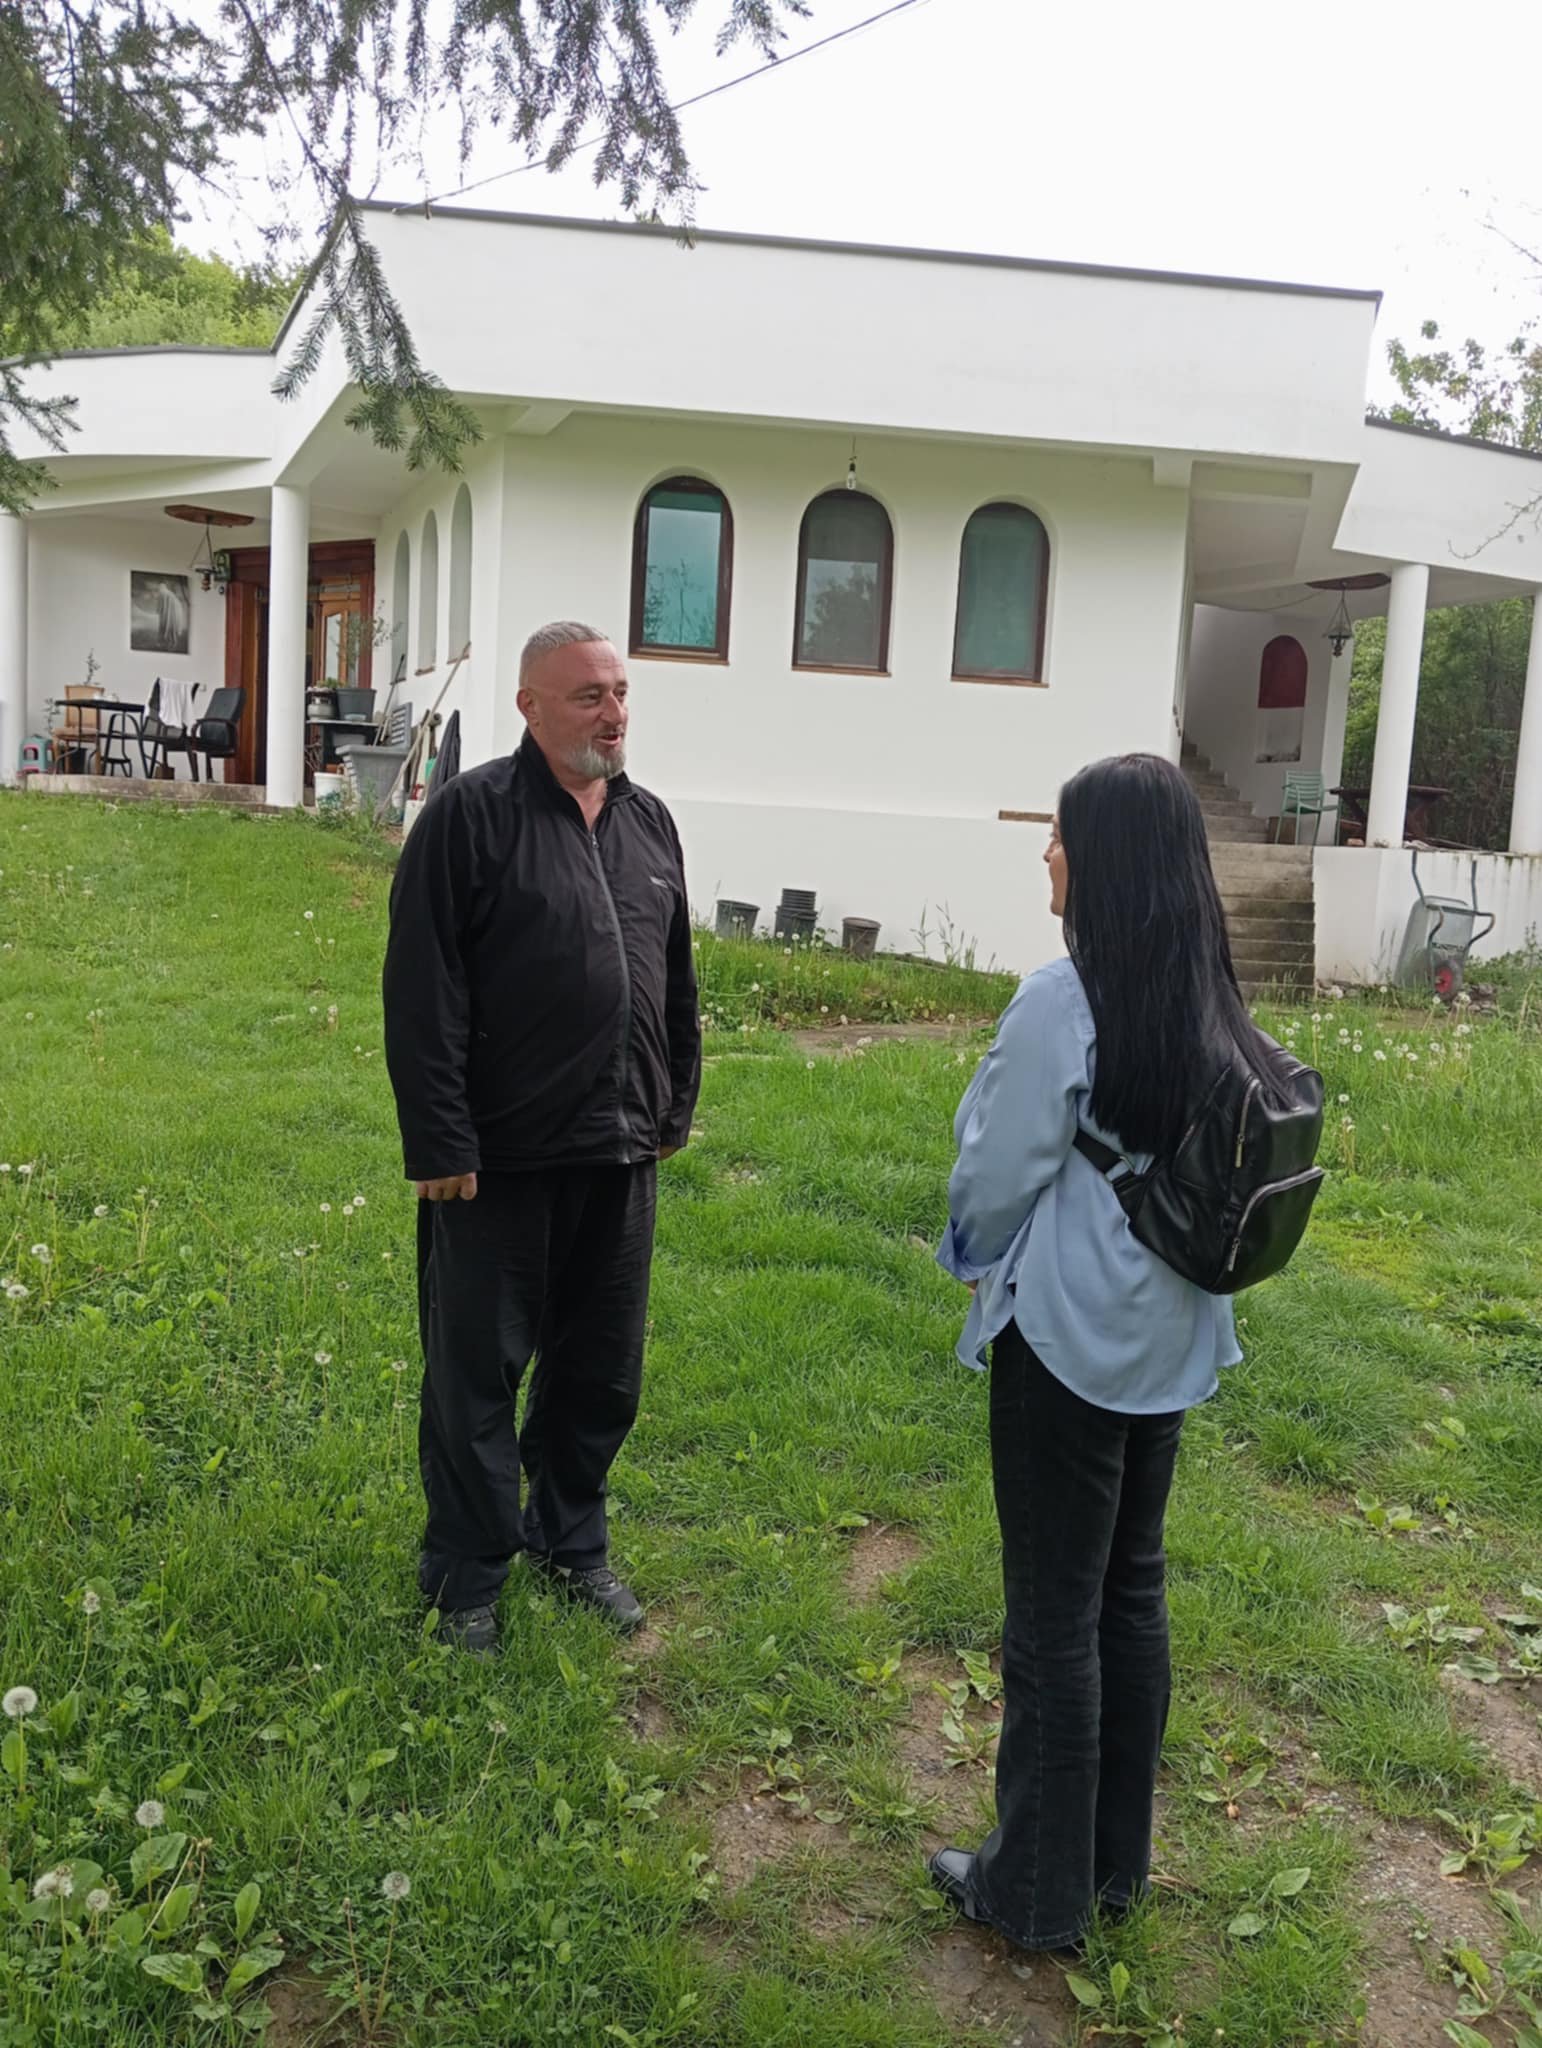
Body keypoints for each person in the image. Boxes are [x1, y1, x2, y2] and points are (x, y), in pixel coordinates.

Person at [929, 752, 1250, 1952]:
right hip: (1170, 1330)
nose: (1047, 854)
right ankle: (1114, 1868)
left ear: (1104, 859)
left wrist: (970, 1255)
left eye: (1061, 835)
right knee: (1130, 1588)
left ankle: (1032, 1891)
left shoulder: (1062, 1000)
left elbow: (996, 1170)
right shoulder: (1213, 990)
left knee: (1053, 1615)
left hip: (1066, 1332)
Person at [382, 621, 701, 1655]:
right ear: (529, 705)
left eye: (620, 692)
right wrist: (440, 1140)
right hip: (499, 1160)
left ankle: (571, 1539)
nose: (613, 713)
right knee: (476, 1375)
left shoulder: (650, 823)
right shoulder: (469, 818)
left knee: (600, 1369)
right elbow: (423, 988)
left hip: (620, 1150)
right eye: (588, 696)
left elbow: (674, 979)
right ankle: (467, 1572)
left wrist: (671, 1105)